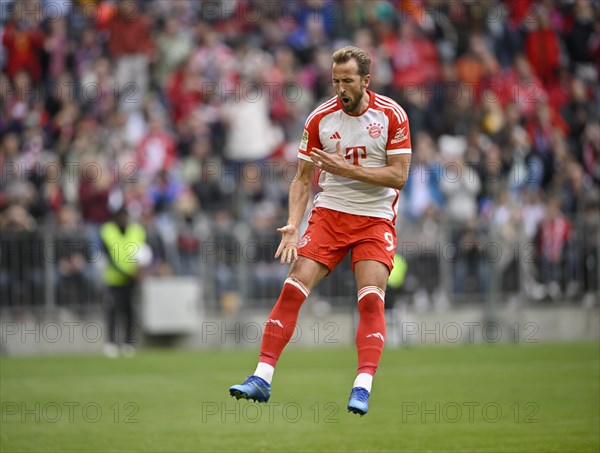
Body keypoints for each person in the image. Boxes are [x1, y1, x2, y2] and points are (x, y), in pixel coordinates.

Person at [229, 46, 412, 416]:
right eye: (335, 81)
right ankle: (262, 377)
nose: (341, 88)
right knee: (294, 285)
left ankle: (362, 386)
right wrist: (294, 225)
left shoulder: (392, 115)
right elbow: (301, 179)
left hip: (375, 217)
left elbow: (399, 175)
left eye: (348, 81)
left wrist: (345, 170)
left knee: (371, 298)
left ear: (365, 81)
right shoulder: (320, 119)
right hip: (330, 214)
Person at [100, 205, 147, 358]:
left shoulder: (137, 231)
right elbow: (110, 256)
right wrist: (129, 273)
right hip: (114, 279)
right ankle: (111, 342)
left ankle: (129, 343)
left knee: (130, 312)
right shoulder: (108, 230)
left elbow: (142, 253)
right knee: (113, 311)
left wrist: (140, 271)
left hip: (132, 280)